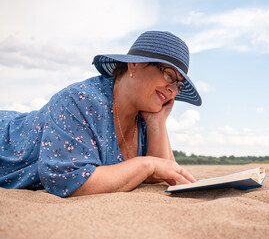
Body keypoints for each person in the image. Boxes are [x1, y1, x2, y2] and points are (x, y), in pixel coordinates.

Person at [0, 31, 201, 197]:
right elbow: (67, 179)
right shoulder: (80, 100)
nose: (173, 89)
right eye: (168, 74)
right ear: (134, 65)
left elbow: (164, 172)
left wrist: (157, 123)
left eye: (179, 84)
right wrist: (147, 164)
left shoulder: (143, 117)